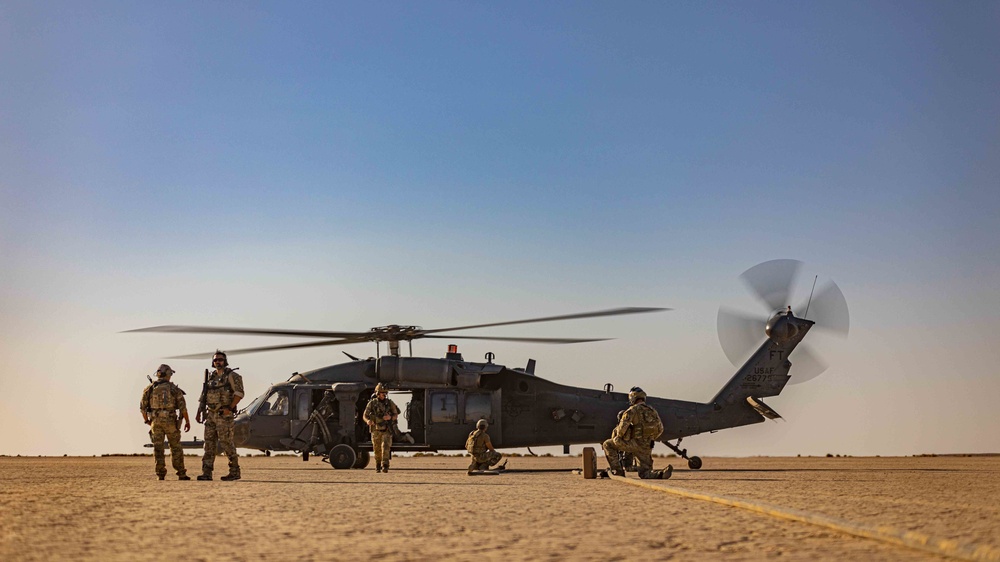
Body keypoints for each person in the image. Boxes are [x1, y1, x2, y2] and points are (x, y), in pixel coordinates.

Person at [602, 387, 672, 479]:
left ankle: (618, 472)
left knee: (607, 444)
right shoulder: (652, 411)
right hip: (646, 446)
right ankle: (660, 474)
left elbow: (622, 429)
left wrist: (618, 438)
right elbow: (660, 429)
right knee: (645, 473)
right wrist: (650, 439)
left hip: (633, 444)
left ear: (632, 398)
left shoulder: (632, 410)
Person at [196, 350, 244, 481]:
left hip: (224, 415)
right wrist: (200, 410)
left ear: (225, 361)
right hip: (210, 415)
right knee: (209, 444)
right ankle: (206, 473)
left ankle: (234, 471)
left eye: (220, 359)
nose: (218, 362)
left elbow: (239, 393)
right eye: (216, 360)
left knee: (227, 443)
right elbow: (204, 395)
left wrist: (230, 408)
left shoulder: (232, 376)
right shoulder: (211, 377)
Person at [140, 364, 191, 480]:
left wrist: (147, 421)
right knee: (176, 447)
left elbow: (142, 408)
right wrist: (187, 421)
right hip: (170, 422)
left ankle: (160, 474)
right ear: (168, 374)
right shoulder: (174, 389)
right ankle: (181, 473)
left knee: (158, 448)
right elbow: (183, 408)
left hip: (155, 422)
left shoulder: (149, 388)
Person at [363, 383, 399, 473]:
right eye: (382, 393)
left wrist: (390, 417)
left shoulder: (390, 403)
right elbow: (365, 415)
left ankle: (385, 465)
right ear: (378, 393)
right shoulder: (372, 403)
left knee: (385, 448)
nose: (384, 395)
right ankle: (378, 465)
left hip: (386, 430)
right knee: (377, 449)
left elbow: (396, 414)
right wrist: (367, 421)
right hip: (375, 430)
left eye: (385, 393)